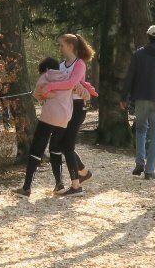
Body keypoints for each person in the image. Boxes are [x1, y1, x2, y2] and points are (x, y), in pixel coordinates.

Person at [18, 56, 79, 197]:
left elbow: (37, 94)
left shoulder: (46, 76)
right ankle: (59, 184)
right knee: (56, 149)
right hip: (64, 119)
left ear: (45, 68)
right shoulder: (67, 77)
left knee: (36, 150)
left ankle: (26, 187)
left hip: (49, 117)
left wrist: (45, 97)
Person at [51, 32, 96, 195]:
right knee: (63, 145)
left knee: (67, 146)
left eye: (61, 45)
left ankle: (76, 186)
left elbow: (70, 83)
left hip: (77, 108)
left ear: (70, 46)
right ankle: (83, 172)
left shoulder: (79, 64)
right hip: (65, 108)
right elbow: (59, 84)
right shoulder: (62, 65)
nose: (60, 48)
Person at [124, 23, 155, 180]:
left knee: (141, 130)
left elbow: (130, 77)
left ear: (147, 36)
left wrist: (125, 96)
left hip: (141, 97)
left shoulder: (138, 54)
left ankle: (139, 162)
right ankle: (150, 171)